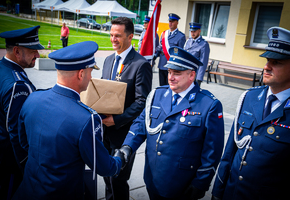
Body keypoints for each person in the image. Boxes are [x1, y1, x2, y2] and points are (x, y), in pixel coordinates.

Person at [12, 41, 124, 200]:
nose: (91, 77)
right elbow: (104, 168)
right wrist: (120, 159)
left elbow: (23, 143)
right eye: (90, 72)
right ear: (81, 74)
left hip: (28, 190)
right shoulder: (87, 118)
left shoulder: (33, 98)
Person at [117, 46, 224, 199]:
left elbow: (212, 151)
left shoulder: (208, 105)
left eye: (177, 73)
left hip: (183, 183)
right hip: (153, 177)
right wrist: (127, 146)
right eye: (169, 72)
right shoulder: (157, 95)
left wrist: (201, 182)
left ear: (192, 75)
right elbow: (141, 124)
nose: (171, 77)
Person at [211, 27, 290, 200]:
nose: (266, 67)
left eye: (276, 62)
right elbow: (229, 153)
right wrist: (217, 193)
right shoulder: (250, 97)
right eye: (267, 60)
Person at [101, 17, 153, 200]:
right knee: (107, 179)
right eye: (111, 35)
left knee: (118, 180)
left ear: (130, 37)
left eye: (118, 36)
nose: (113, 39)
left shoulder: (141, 65)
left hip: (124, 136)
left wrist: (115, 120)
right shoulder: (108, 60)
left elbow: (141, 103)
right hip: (104, 133)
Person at [0, 25, 44, 199]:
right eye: (33, 50)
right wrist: (28, 167)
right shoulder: (17, 85)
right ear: (17, 51)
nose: (38, 54)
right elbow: (18, 133)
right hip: (10, 162)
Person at [153, 13, 186, 86]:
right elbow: (159, 46)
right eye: (169, 21)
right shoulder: (164, 33)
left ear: (177, 23)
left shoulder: (181, 36)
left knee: (169, 87)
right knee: (161, 86)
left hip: (171, 66)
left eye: (172, 21)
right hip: (162, 64)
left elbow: (179, 53)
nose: (170, 23)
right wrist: (154, 56)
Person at [184, 22, 210, 86]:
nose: (192, 33)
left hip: (194, 74)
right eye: (191, 31)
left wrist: (199, 78)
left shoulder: (204, 44)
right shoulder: (188, 41)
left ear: (199, 31)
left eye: (194, 31)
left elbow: (203, 62)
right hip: (185, 73)